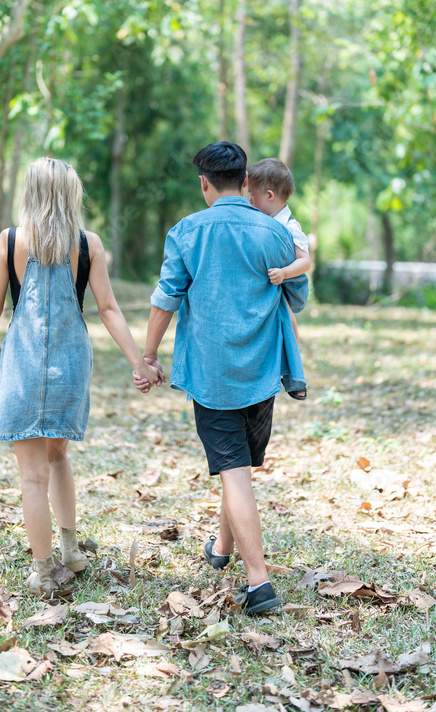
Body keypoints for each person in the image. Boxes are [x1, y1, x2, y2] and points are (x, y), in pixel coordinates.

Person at [133, 142, 308, 615]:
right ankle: (222, 548)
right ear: (247, 182)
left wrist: (148, 355)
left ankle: (259, 584)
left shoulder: (188, 231)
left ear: (205, 183)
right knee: (238, 469)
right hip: (262, 370)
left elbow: (166, 296)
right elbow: (297, 295)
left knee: (234, 471)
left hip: (212, 375)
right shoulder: (275, 232)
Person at [0, 157, 160, 598]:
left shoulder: (10, 240)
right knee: (58, 457)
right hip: (70, 363)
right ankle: (71, 551)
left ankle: (42, 572)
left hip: (23, 363)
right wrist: (140, 362)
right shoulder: (87, 243)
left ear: (31, 192)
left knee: (31, 477)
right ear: (71, 194)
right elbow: (109, 310)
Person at [247, 157, 311, 400]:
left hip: (287, 285)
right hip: (268, 282)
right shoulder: (260, 220)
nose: (249, 199)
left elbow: (305, 261)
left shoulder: (289, 227)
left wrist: (284, 273)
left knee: (287, 318)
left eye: (253, 194)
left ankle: (295, 371)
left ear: (270, 196)